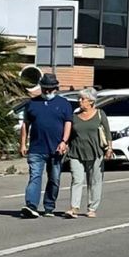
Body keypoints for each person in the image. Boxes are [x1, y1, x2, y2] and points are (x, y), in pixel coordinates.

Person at [19, 74, 74, 218]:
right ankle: (31, 205)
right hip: (36, 149)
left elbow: (68, 123)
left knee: (54, 178)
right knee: (35, 177)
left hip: (56, 149)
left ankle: (49, 206)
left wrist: (64, 141)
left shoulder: (64, 104)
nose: (47, 92)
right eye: (45, 89)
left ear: (55, 88)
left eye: (50, 89)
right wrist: (23, 143)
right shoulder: (32, 103)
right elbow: (25, 125)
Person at [64, 88, 111, 219]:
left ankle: (92, 208)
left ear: (91, 101)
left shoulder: (100, 114)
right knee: (76, 179)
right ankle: (74, 208)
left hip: (96, 152)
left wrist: (109, 149)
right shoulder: (74, 116)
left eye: (82, 99)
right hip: (76, 152)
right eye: (79, 98)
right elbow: (68, 132)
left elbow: (107, 132)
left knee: (94, 181)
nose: (79, 101)